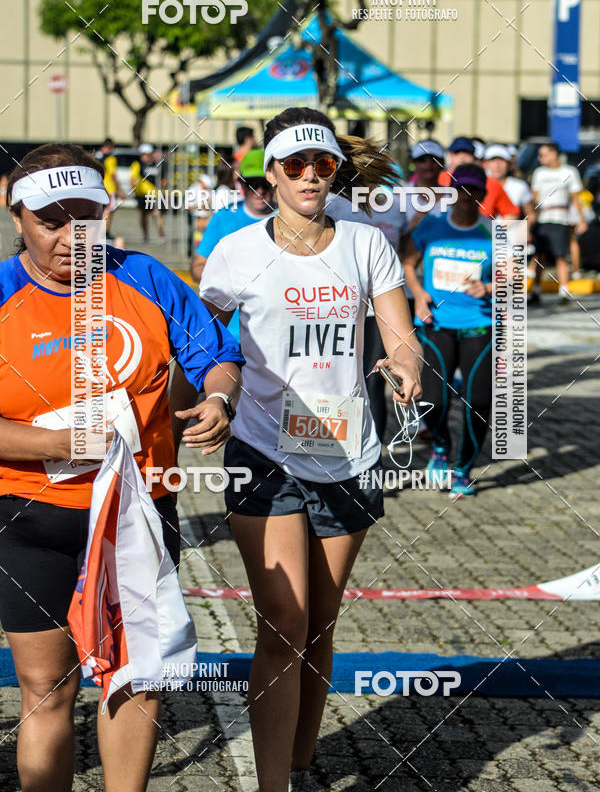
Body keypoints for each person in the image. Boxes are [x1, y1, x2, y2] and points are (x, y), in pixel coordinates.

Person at [178, 106, 422, 792]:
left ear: (334, 169)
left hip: (348, 451)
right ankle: (271, 785)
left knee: (320, 621)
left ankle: (300, 759)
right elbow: (204, 347)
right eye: (295, 165)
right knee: (283, 620)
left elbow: (399, 334)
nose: (311, 176)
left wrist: (406, 367)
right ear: (270, 174)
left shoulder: (366, 243)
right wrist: (207, 400)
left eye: (322, 164)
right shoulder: (234, 253)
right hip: (263, 449)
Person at [0, 143, 244, 792]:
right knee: (47, 692)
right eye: (52, 221)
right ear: (16, 214)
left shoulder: (144, 276)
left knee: (136, 681)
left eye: (87, 218)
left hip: (137, 514)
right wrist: (52, 443)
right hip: (31, 517)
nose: (71, 237)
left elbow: (217, 355)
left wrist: (219, 397)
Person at [402, 163, 493, 500]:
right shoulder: (433, 226)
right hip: (437, 324)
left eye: (475, 191)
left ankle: (463, 469)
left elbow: (516, 277)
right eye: (461, 190)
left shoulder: (493, 231)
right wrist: (419, 295)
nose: (467, 198)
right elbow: (408, 262)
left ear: (483, 195)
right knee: (433, 402)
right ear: (450, 194)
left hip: (479, 326)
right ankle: (441, 446)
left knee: (479, 401)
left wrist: (491, 287)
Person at [325, 173, 409, 442]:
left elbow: (405, 251)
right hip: (337, 308)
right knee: (337, 379)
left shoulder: (396, 208)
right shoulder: (332, 204)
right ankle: (335, 445)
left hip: (378, 311)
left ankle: (372, 453)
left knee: (372, 381)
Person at [189, 147, 276, 348]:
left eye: (265, 184)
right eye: (252, 184)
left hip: (275, 335)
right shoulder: (223, 217)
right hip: (230, 335)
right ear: (241, 185)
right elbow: (197, 268)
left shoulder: (287, 219)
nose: (260, 191)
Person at [530, 141, 587, 304]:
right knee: (539, 255)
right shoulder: (539, 173)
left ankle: (563, 291)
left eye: (543, 154)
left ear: (554, 154)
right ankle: (536, 290)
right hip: (542, 218)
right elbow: (534, 198)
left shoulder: (569, 171)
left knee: (561, 255)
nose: (540, 158)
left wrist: (581, 220)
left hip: (561, 218)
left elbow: (576, 198)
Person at [439, 136, 519, 220]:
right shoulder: (438, 179)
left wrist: (493, 230)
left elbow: (511, 214)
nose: (462, 157)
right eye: (457, 153)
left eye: (467, 153)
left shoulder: (491, 183)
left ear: (474, 157)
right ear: (450, 156)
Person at [484, 144, 535, 225]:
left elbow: (531, 214)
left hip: (511, 234)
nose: (497, 165)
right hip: (484, 234)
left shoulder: (520, 186)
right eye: (493, 160)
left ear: (509, 165)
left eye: (502, 160)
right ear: (486, 164)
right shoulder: (478, 185)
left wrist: (525, 229)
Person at [130, 143, 166, 243]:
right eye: (143, 154)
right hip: (142, 194)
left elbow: (163, 180)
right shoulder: (138, 165)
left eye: (146, 154)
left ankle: (161, 233)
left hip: (155, 194)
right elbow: (133, 179)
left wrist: (163, 188)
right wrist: (134, 186)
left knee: (157, 213)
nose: (144, 156)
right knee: (143, 215)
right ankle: (145, 235)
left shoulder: (158, 164)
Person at [95, 137, 124, 248]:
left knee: (101, 211)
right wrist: (119, 190)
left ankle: (101, 232)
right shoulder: (110, 159)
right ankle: (105, 233)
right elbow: (112, 175)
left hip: (99, 187)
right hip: (109, 188)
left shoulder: (96, 156)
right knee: (108, 211)